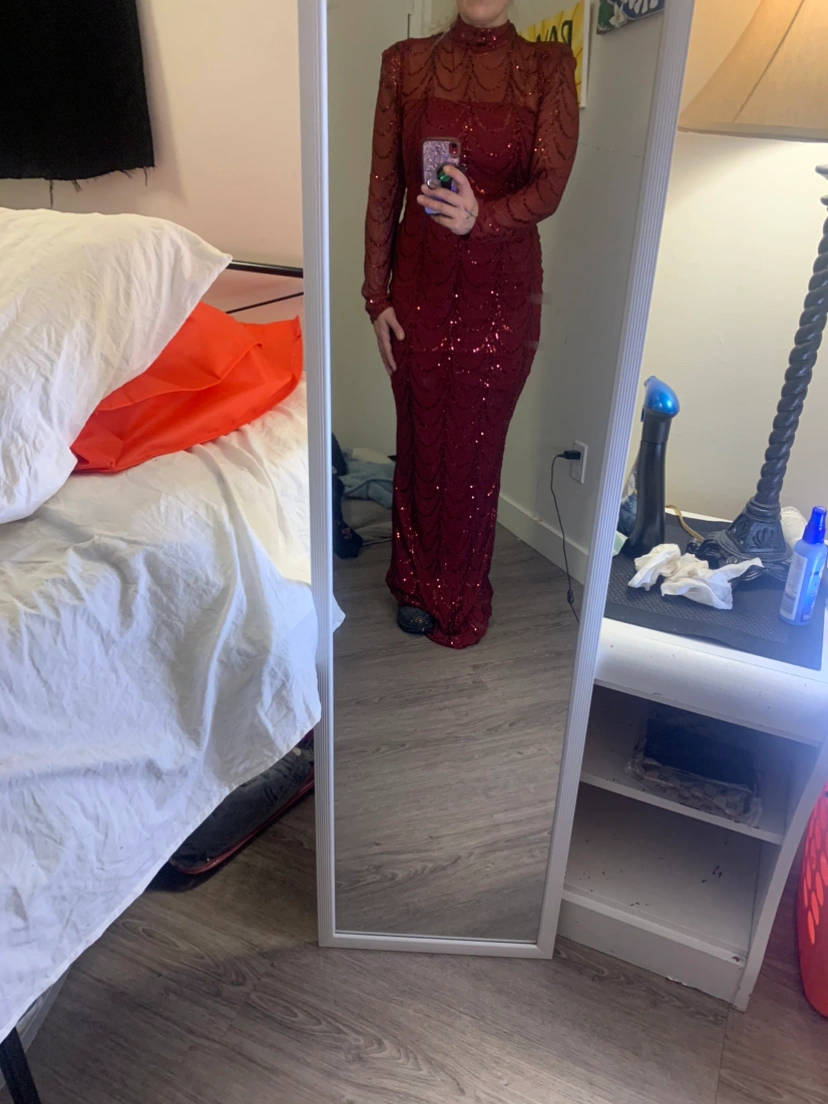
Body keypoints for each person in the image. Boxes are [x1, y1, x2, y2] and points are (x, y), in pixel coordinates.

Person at [362, 0, 579, 649]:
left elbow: (550, 185)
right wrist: (375, 296)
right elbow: (384, 186)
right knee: (420, 439)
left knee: (477, 450)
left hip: (501, 297)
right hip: (418, 290)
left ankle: (459, 589)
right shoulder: (403, 64)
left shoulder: (546, 66)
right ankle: (413, 585)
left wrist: (479, 218)